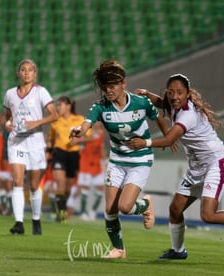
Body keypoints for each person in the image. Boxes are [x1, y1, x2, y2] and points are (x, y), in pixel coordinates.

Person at [134, 74, 224, 259]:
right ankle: (178, 251)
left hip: (216, 164)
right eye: (171, 92)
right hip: (197, 168)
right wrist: (146, 94)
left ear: (188, 94)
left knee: (208, 215)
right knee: (175, 209)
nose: (175, 96)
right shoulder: (174, 103)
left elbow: (169, 139)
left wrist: (145, 143)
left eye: (180, 93)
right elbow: (161, 102)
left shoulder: (188, 115)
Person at [69, 59, 170, 258]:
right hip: (117, 160)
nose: (108, 90)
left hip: (140, 160)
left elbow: (157, 116)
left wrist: (167, 137)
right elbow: (86, 124)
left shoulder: (140, 102)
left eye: (113, 85)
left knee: (125, 207)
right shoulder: (101, 107)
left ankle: (145, 204)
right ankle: (119, 249)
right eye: (105, 87)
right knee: (109, 209)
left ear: (124, 83)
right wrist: (79, 132)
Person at [3, 58, 58, 235]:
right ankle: (18, 222)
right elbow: (8, 116)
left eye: (30, 70)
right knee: (17, 182)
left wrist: (37, 122)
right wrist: (8, 123)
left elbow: (54, 115)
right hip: (16, 142)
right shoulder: (10, 93)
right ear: (18, 73)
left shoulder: (41, 92)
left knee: (34, 185)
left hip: (35, 142)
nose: (26, 73)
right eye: (23, 70)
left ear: (35, 74)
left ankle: (36, 219)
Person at [48, 96, 85, 223]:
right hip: (59, 153)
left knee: (68, 188)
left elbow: (90, 137)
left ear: (68, 106)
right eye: (57, 105)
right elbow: (51, 139)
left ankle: (62, 206)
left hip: (73, 155)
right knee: (60, 183)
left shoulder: (79, 119)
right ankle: (61, 212)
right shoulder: (55, 121)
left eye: (61, 105)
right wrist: (48, 150)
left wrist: (78, 139)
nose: (58, 107)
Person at [77, 121, 106, 221]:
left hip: (96, 165)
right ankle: (83, 212)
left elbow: (101, 147)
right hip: (85, 165)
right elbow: (80, 147)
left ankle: (93, 210)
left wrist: (105, 160)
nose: (98, 123)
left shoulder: (101, 133)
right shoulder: (86, 132)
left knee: (101, 189)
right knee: (85, 189)